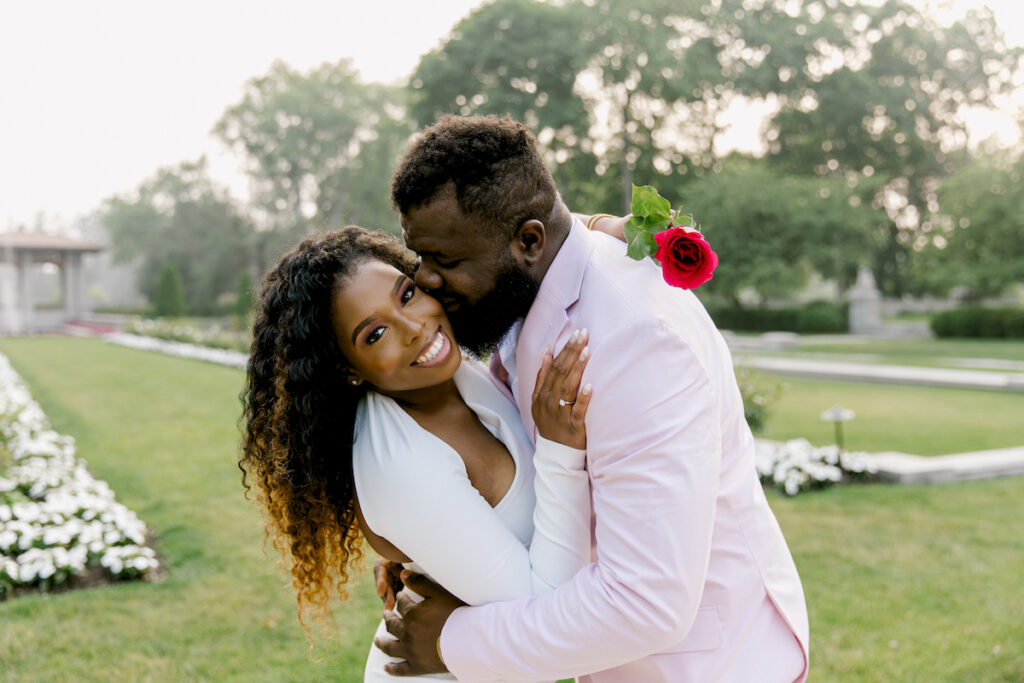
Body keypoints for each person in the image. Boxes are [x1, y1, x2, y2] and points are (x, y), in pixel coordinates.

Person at [375, 114, 811, 681]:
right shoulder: (521, 275)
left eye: (447, 261)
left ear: (528, 241)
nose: (426, 281)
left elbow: (645, 605)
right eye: (421, 256)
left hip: (705, 665)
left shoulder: (637, 341)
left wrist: (450, 641)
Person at [239, 226, 598, 682]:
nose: (416, 328)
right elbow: (543, 618)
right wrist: (561, 450)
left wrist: (598, 229)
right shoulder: (399, 466)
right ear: (347, 369)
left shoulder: (453, 378)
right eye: (376, 334)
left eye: (406, 295)